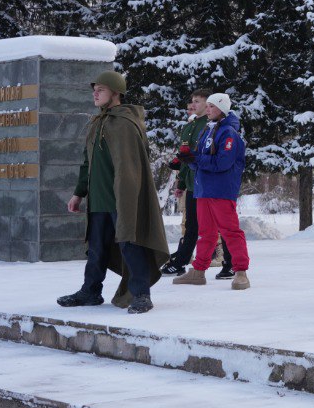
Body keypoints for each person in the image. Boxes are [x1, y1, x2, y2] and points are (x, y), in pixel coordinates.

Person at [57, 71, 169, 314]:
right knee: (96, 247)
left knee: (130, 242)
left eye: (101, 90)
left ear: (116, 93)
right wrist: (79, 194)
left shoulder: (125, 124)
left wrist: (125, 201)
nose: (95, 93)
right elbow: (87, 162)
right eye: (94, 89)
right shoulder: (98, 123)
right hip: (99, 198)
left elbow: (129, 168)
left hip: (123, 198)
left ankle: (141, 294)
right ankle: (91, 291)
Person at [173, 92, 250, 290]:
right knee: (205, 232)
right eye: (206, 106)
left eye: (212, 106)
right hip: (203, 189)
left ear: (222, 109)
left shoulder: (229, 133)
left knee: (230, 231)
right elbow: (201, 160)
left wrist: (196, 160)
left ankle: (240, 271)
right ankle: (198, 271)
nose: (207, 109)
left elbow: (223, 162)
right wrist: (187, 159)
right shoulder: (208, 130)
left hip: (221, 190)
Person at [161, 88, 231, 279]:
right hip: (194, 183)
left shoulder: (209, 126)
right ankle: (182, 261)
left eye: (198, 102)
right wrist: (182, 180)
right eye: (192, 101)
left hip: (209, 183)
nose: (193, 105)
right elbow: (187, 156)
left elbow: (207, 156)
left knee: (221, 224)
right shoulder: (190, 126)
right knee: (193, 225)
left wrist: (189, 160)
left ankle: (230, 262)